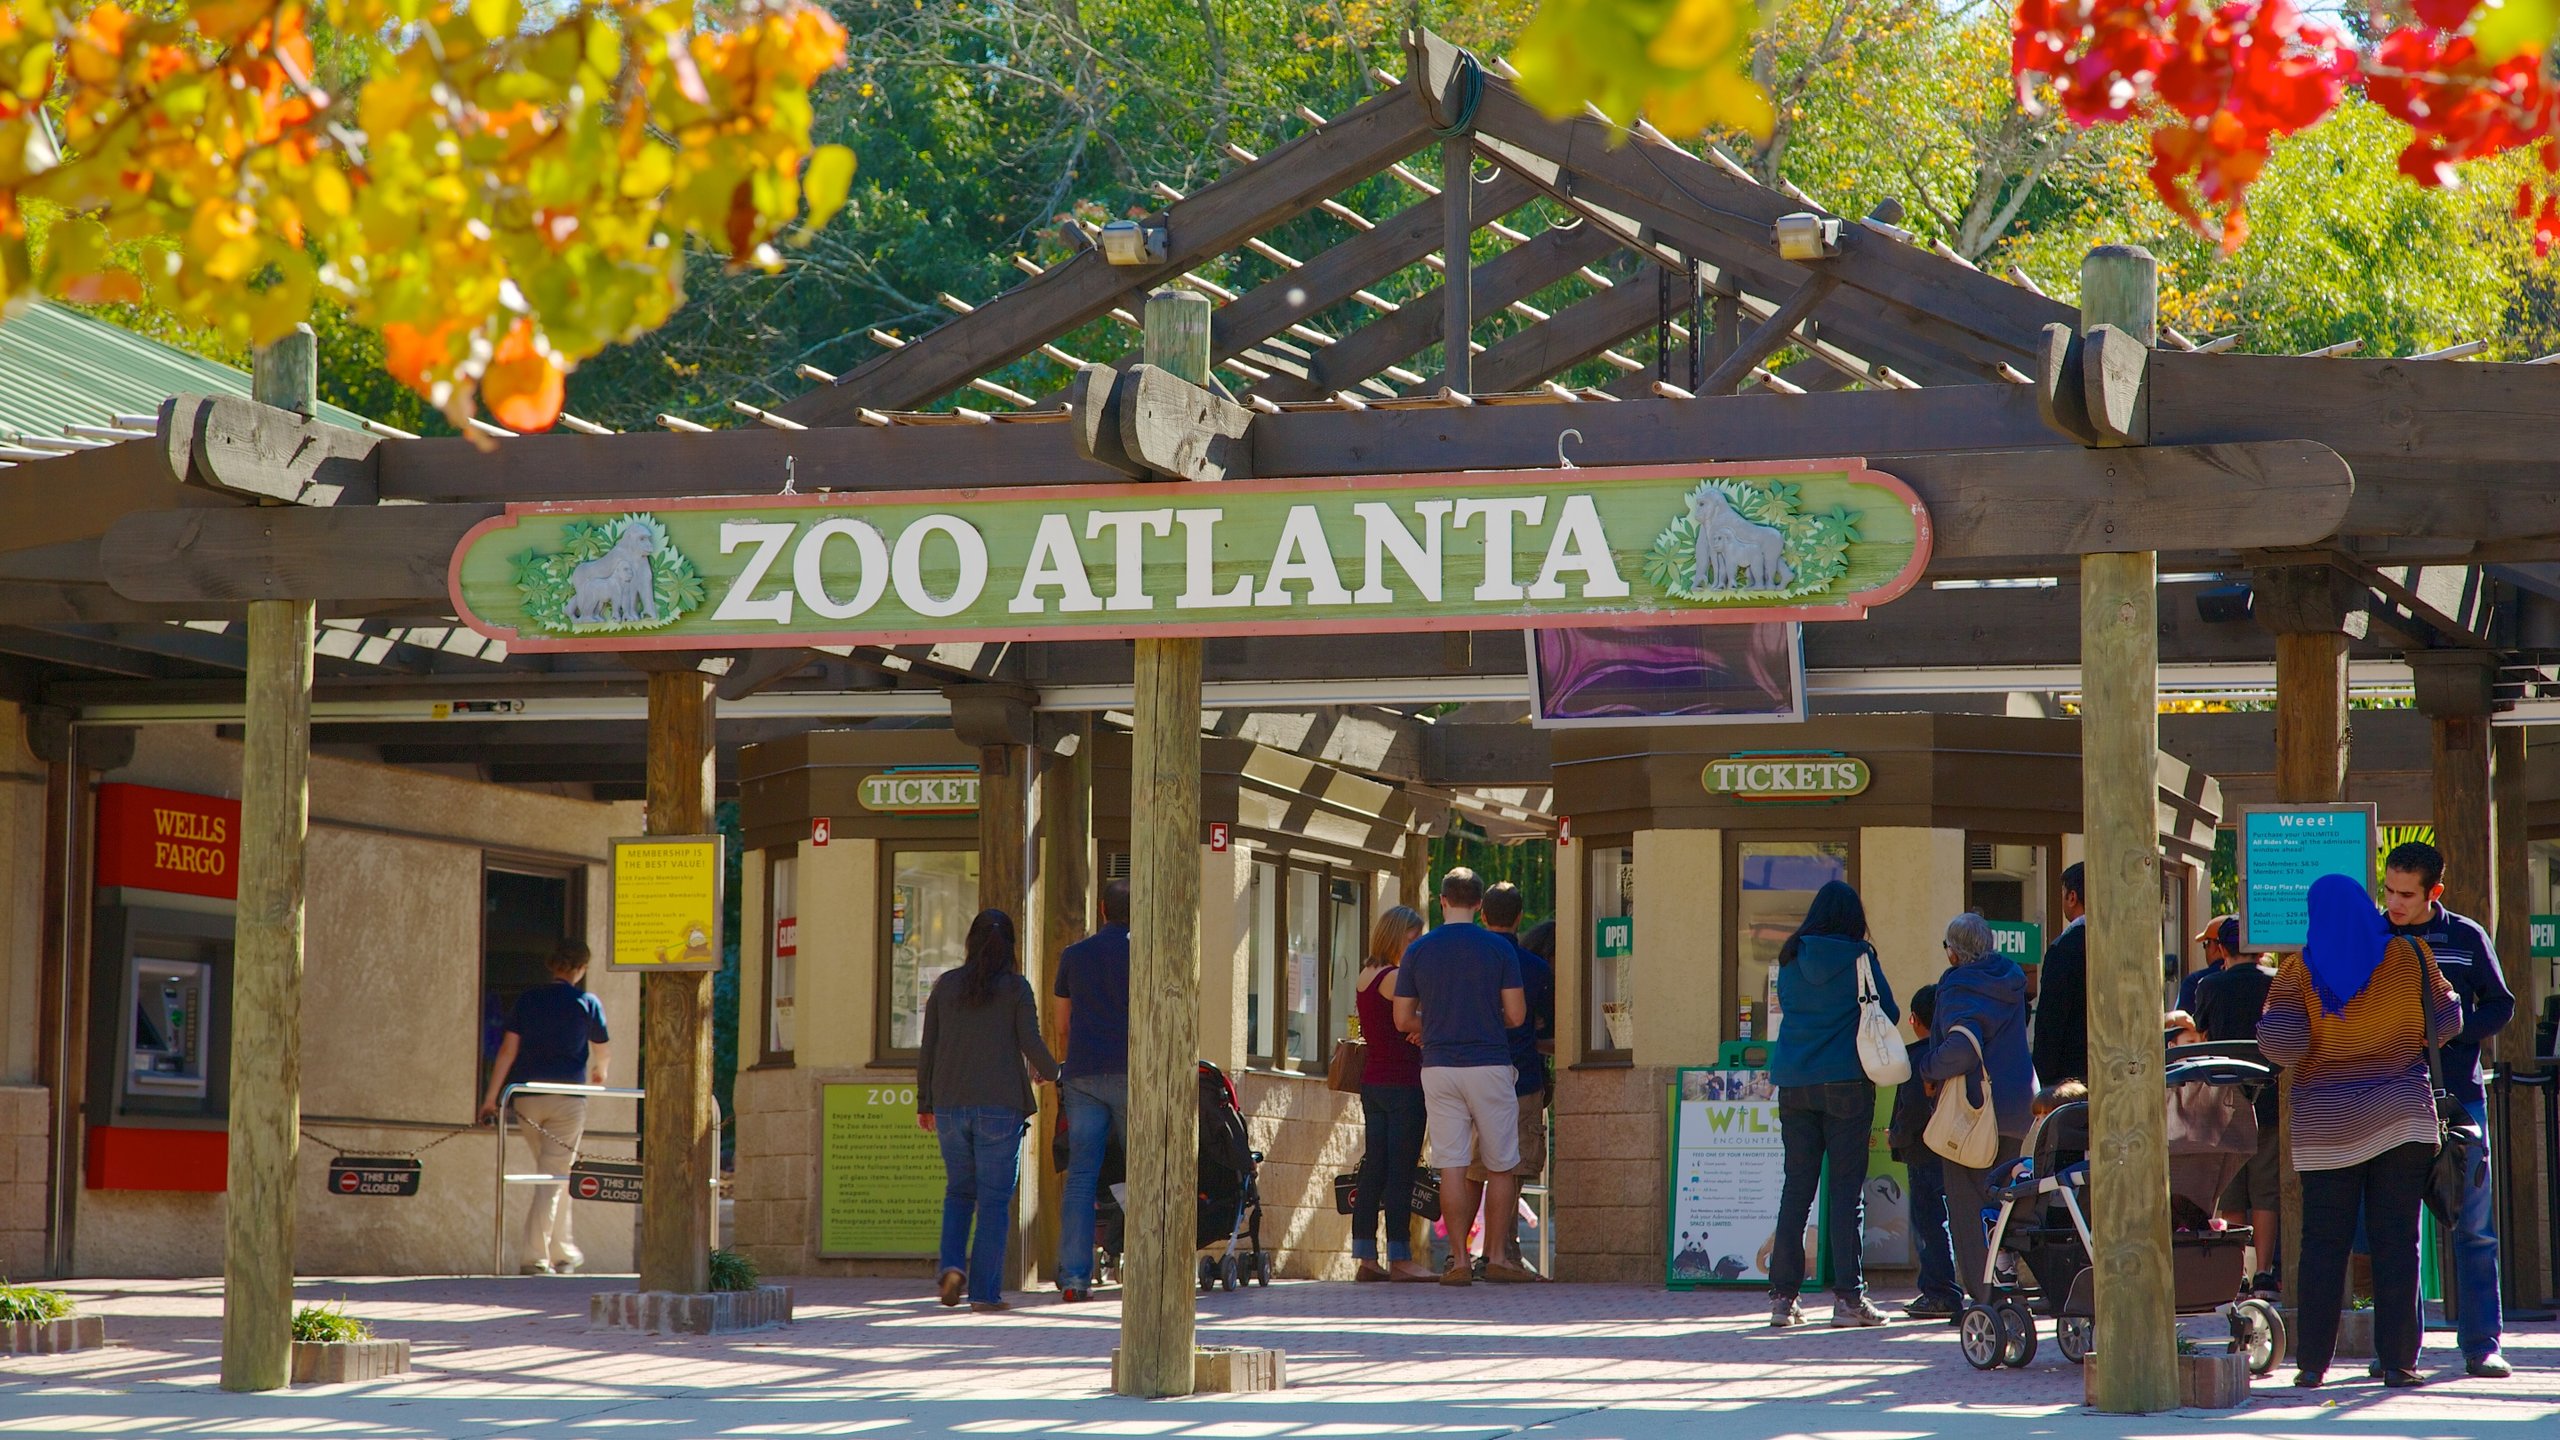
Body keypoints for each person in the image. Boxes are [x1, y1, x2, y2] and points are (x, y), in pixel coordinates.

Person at [2258, 872, 2459, 1389]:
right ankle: (2398, 1361)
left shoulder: (2298, 971)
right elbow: (2448, 1022)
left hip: (2327, 1128)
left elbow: (2282, 1046)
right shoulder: (2411, 957)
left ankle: (2312, 1365)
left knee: (2323, 1244)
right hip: (2402, 1119)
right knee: (2398, 1242)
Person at [2379, 840, 2518, 1378]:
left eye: (2406, 894)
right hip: (2388, 1100)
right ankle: (2397, 1353)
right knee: (2399, 1231)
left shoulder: (2465, 936)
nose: (2394, 903)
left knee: (2474, 1226)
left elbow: (2501, 1004)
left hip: (2459, 1097)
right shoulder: (2374, 934)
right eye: (2388, 890)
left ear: (2433, 892)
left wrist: (2455, 1034)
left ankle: (2482, 1344)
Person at [1765, 879, 1896, 1328]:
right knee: (1845, 1194)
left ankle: (1783, 1299)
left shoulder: (1790, 957)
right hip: (1845, 1083)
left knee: (1796, 1189)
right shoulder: (1860, 958)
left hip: (1794, 1082)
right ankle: (1848, 1301)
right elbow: (1889, 1014)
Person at [1394, 867, 1531, 1286]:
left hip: (1438, 1066)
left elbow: (1402, 1019)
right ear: (1478, 905)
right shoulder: (1498, 949)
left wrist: (1434, 1022)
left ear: (1442, 902)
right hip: (1489, 1063)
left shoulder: (1419, 950)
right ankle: (1496, 1257)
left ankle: (1457, 1260)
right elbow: (1516, 1014)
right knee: (1501, 1164)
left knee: (1451, 1165)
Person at [917, 908, 1058, 1314]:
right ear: (1010, 945)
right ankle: (984, 1294)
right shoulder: (1016, 988)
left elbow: (929, 1049)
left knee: (959, 1191)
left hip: (948, 1104)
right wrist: (1053, 1073)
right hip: (1000, 1107)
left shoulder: (945, 986)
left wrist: (924, 1103)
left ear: (970, 942)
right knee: (994, 1202)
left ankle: (950, 1268)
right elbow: (1029, 1041)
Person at [1918, 912, 2036, 1305]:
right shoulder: (2010, 979)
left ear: (1953, 954)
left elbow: (1962, 1049)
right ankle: (2009, 1286)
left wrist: (1928, 1065)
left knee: (1970, 1209)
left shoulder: (1958, 985)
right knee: (2006, 1204)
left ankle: (1983, 1297)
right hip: (2019, 1106)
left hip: (1975, 1112)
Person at [477, 940, 610, 1276]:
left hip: (526, 1097)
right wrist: (600, 1072)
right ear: (581, 968)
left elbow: (507, 1051)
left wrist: (491, 1098)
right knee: (553, 1176)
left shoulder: (528, 1000)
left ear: (552, 965)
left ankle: (563, 1251)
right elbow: (602, 1049)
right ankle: (535, 1258)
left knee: (555, 1174)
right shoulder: (586, 1002)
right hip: (566, 1098)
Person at [1469, 883, 1555, 1278]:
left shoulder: (1467, 959)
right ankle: (1501, 1255)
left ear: (1483, 915)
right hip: (1521, 1074)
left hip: (1467, 1073)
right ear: (1519, 916)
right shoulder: (1535, 967)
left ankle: (1459, 1254)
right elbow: (1548, 1027)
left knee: (1469, 1167)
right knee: (1513, 1166)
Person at [1052, 879, 1131, 1303]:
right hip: (1135, 1073)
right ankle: (1143, 1268)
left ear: (1102, 909)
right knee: (1144, 1171)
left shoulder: (1073, 955)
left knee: (1081, 1178)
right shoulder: (1147, 953)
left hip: (1082, 1074)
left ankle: (1075, 1278)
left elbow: (1062, 1025)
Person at [1351, 905, 1435, 1282]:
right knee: (1401, 1170)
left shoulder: (1366, 975)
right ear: (1399, 936)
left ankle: (1366, 1256)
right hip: (1404, 1082)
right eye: (1414, 937)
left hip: (1374, 1082)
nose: (1418, 944)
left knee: (1374, 1167)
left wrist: (1416, 1026)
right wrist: (1427, 1027)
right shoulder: (1397, 976)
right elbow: (1409, 1019)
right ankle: (1401, 1258)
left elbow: (1392, 1024)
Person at [2195, 937, 2281, 1289]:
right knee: (2265, 1190)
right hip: (2270, 1096)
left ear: (2222, 950)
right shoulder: (2276, 979)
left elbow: (2202, 1037)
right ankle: (2263, 1271)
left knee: (2231, 1189)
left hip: (2223, 1100)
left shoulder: (2210, 986)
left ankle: (2237, 1275)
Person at [1890, 983, 1964, 1321]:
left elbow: (1914, 1109)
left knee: (1929, 1223)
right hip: (1957, 1147)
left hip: (1922, 1151)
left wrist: (1898, 1138)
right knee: (1953, 1219)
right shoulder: (1955, 1053)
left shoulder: (1917, 1059)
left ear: (1914, 1020)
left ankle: (1939, 1292)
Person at [2031, 863, 2088, 1085]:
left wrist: (2042, 1078)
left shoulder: (2064, 949)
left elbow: (2050, 1022)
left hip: (2070, 1080)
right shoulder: (2121, 945)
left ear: (2072, 897)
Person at [2178, 915, 2238, 1017]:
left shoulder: (2194, 982)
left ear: (2216, 946)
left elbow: (2182, 1026)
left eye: (2206, 944)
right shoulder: (2266, 980)